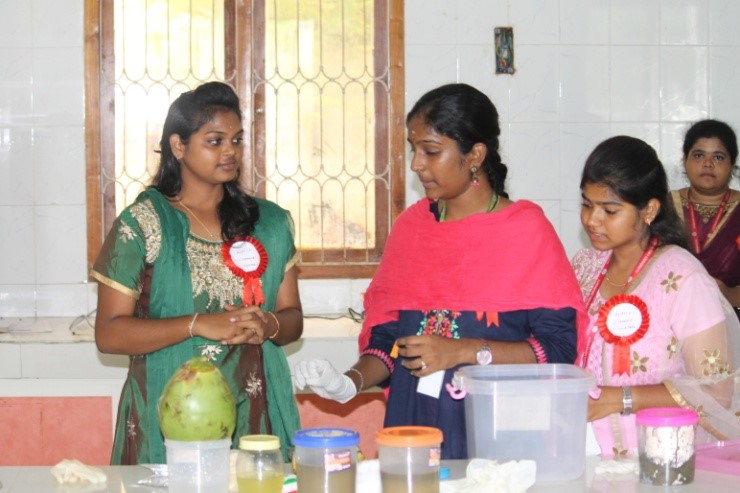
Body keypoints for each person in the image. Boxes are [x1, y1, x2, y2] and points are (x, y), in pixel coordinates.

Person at [293, 83, 587, 459]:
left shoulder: (526, 231)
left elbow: (559, 349)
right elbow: (387, 342)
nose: (417, 164)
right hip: (412, 427)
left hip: (496, 435)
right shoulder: (411, 229)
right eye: (414, 150)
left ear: (475, 155)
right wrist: (348, 383)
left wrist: (463, 350)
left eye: (431, 151)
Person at [91, 81, 302, 465]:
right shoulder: (142, 225)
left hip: (254, 415)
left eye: (236, 141)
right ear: (178, 146)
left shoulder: (270, 223)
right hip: (169, 413)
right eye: (215, 141)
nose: (230, 153)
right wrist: (198, 324)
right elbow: (109, 333)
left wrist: (269, 325)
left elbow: (292, 319)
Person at [572, 135, 740, 458]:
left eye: (609, 210)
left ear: (648, 209)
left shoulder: (682, 278)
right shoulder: (584, 266)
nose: (592, 220)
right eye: (586, 204)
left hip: (658, 459)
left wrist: (621, 398)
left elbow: (717, 391)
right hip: (585, 452)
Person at [671, 119, 740, 321]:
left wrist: (728, 294)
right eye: (698, 155)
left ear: (732, 164)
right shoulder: (662, 207)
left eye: (718, 157)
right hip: (672, 321)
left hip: (733, 321)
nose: (708, 163)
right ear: (685, 160)